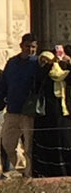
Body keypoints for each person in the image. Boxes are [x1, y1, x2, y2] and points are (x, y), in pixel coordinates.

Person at [0, 33, 39, 179]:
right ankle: (22, 169)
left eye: (33, 47)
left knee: (29, 147)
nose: (30, 50)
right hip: (12, 110)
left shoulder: (38, 63)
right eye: (27, 46)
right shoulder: (12, 63)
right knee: (8, 143)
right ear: (21, 46)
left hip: (29, 112)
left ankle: (29, 175)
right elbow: (2, 85)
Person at [29, 50, 71, 178]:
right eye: (42, 60)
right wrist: (50, 64)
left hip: (63, 114)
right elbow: (39, 78)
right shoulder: (42, 73)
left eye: (47, 60)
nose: (45, 63)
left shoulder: (64, 73)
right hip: (45, 116)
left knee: (65, 142)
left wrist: (68, 62)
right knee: (47, 144)